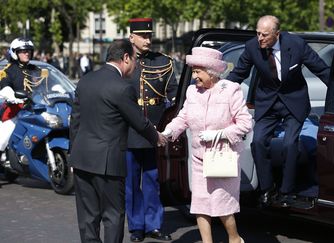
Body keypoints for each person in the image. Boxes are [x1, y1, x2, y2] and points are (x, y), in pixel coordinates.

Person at [69, 39, 168, 243]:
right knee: (113, 215)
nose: (136, 65)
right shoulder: (122, 87)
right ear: (125, 58)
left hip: (81, 158)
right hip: (108, 164)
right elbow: (139, 122)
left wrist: (73, 154)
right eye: (134, 59)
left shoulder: (85, 81)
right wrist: (156, 137)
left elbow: (75, 123)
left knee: (88, 218)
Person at [226, 15, 330, 208]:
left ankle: (286, 191)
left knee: (290, 144)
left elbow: (321, 69)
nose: (260, 38)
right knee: (257, 142)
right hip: (267, 102)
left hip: (294, 101)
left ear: (277, 34)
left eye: (265, 35)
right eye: (257, 33)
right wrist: (219, 91)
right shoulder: (251, 47)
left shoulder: (296, 44)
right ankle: (267, 189)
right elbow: (238, 73)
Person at [162, 47, 252, 243]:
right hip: (199, 156)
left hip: (222, 156)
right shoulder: (192, 92)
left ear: (211, 72)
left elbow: (245, 124)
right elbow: (183, 117)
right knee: (200, 203)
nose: (194, 76)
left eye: (197, 72)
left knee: (222, 203)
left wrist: (218, 134)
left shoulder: (230, 90)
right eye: (193, 71)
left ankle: (235, 238)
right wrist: (169, 131)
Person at [125, 17, 177, 242]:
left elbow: (173, 92)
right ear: (131, 38)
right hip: (129, 129)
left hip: (155, 129)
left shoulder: (163, 61)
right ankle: (136, 226)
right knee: (131, 181)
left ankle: (154, 224)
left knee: (152, 179)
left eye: (149, 35)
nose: (147, 39)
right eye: (142, 36)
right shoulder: (124, 62)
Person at [0, 37, 38, 153]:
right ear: (15, 53)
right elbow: (4, 86)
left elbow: (48, 85)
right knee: (2, 140)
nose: (27, 53)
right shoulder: (8, 70)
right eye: (23, 51)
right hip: (15, 110)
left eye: (29, 51)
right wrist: (11, 96)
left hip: (36, 109)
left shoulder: (36, 69)